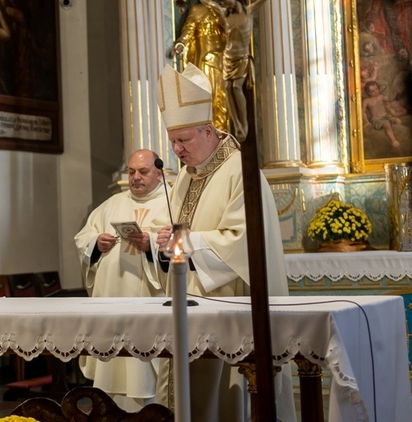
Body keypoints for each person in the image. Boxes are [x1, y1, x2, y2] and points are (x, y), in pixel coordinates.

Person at [155, 64, 295, 422]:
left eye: (183, 140)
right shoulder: (187, 177)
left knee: (225, 406)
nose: (177, 150)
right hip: (189, 309)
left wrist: (183, 241)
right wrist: (164, 245)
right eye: (173, 141)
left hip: (231, 314)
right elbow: (181, 241)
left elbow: (242, 243)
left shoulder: (241, 171)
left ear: (209, 131)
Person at [73, 149, 172, 412]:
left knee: (144, 374)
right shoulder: (112, 203)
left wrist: (150, 244)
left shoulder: (173, 202)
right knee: (111, 378)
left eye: (143, 171)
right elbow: (83, 238)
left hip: (147, 305)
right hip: (112, 302)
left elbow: (182, 249)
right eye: (131, 172)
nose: (135, 177)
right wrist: (97, 242)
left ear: (159, 172)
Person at [200, 0, 266, 141]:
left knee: (236, 87)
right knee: (228, 87)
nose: (227, 3)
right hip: (228, 56)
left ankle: (244, 124)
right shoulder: (225, 13)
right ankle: (237, 125)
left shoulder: (249, 11)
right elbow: (210, 4)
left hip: (241, 57)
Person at [172, 2, 229, 131]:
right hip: (204, 60)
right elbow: (189, 29)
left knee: (221, 97)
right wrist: (181, 43)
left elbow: (232, 33)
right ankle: (207, 132)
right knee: (207, 96)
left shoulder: (223, 11)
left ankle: (222, 132)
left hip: (221, 61)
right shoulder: (197, 9)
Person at [362, 80, 403, 150]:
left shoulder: (381, 97)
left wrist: (397, 93)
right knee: (386, 124)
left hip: (386, 115)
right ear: (368, 93)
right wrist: (366, 122)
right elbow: (363, 112)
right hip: (376, 118)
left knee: (398, 121)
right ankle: (393, 140)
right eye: (373, 91)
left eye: (376, 89)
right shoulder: (366, 101)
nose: (376, 91)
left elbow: (390, 99)